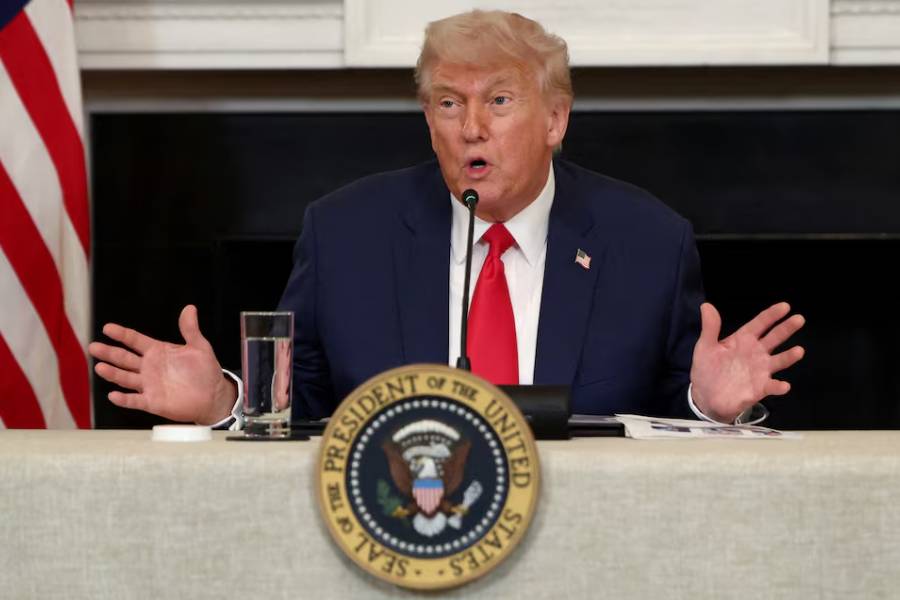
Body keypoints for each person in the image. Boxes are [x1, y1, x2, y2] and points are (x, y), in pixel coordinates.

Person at [88, 10, 805, 427]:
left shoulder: (645, 241)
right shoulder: (347, 234)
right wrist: (223, 399)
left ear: (555, 118)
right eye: (447, 103)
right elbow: (295, 406)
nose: (470, 129)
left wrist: (709, 406)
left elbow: (664, 423)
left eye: (499, 101)